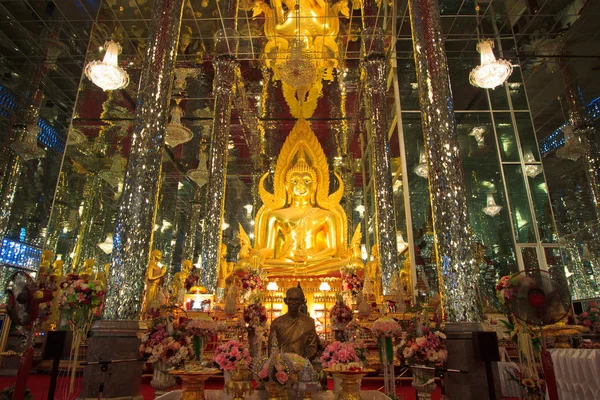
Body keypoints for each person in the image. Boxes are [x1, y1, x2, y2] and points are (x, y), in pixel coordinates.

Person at [268, 287, 318, 360]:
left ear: (302, 301)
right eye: (291, 299)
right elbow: (271, 349)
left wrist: (299, 362)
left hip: (301, 366)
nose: (293, 302)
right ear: (285, 301)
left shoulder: (309, 322)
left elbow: (312, 349)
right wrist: (280, 364)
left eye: (297, 300)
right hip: (280, 367)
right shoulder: (277, 323)